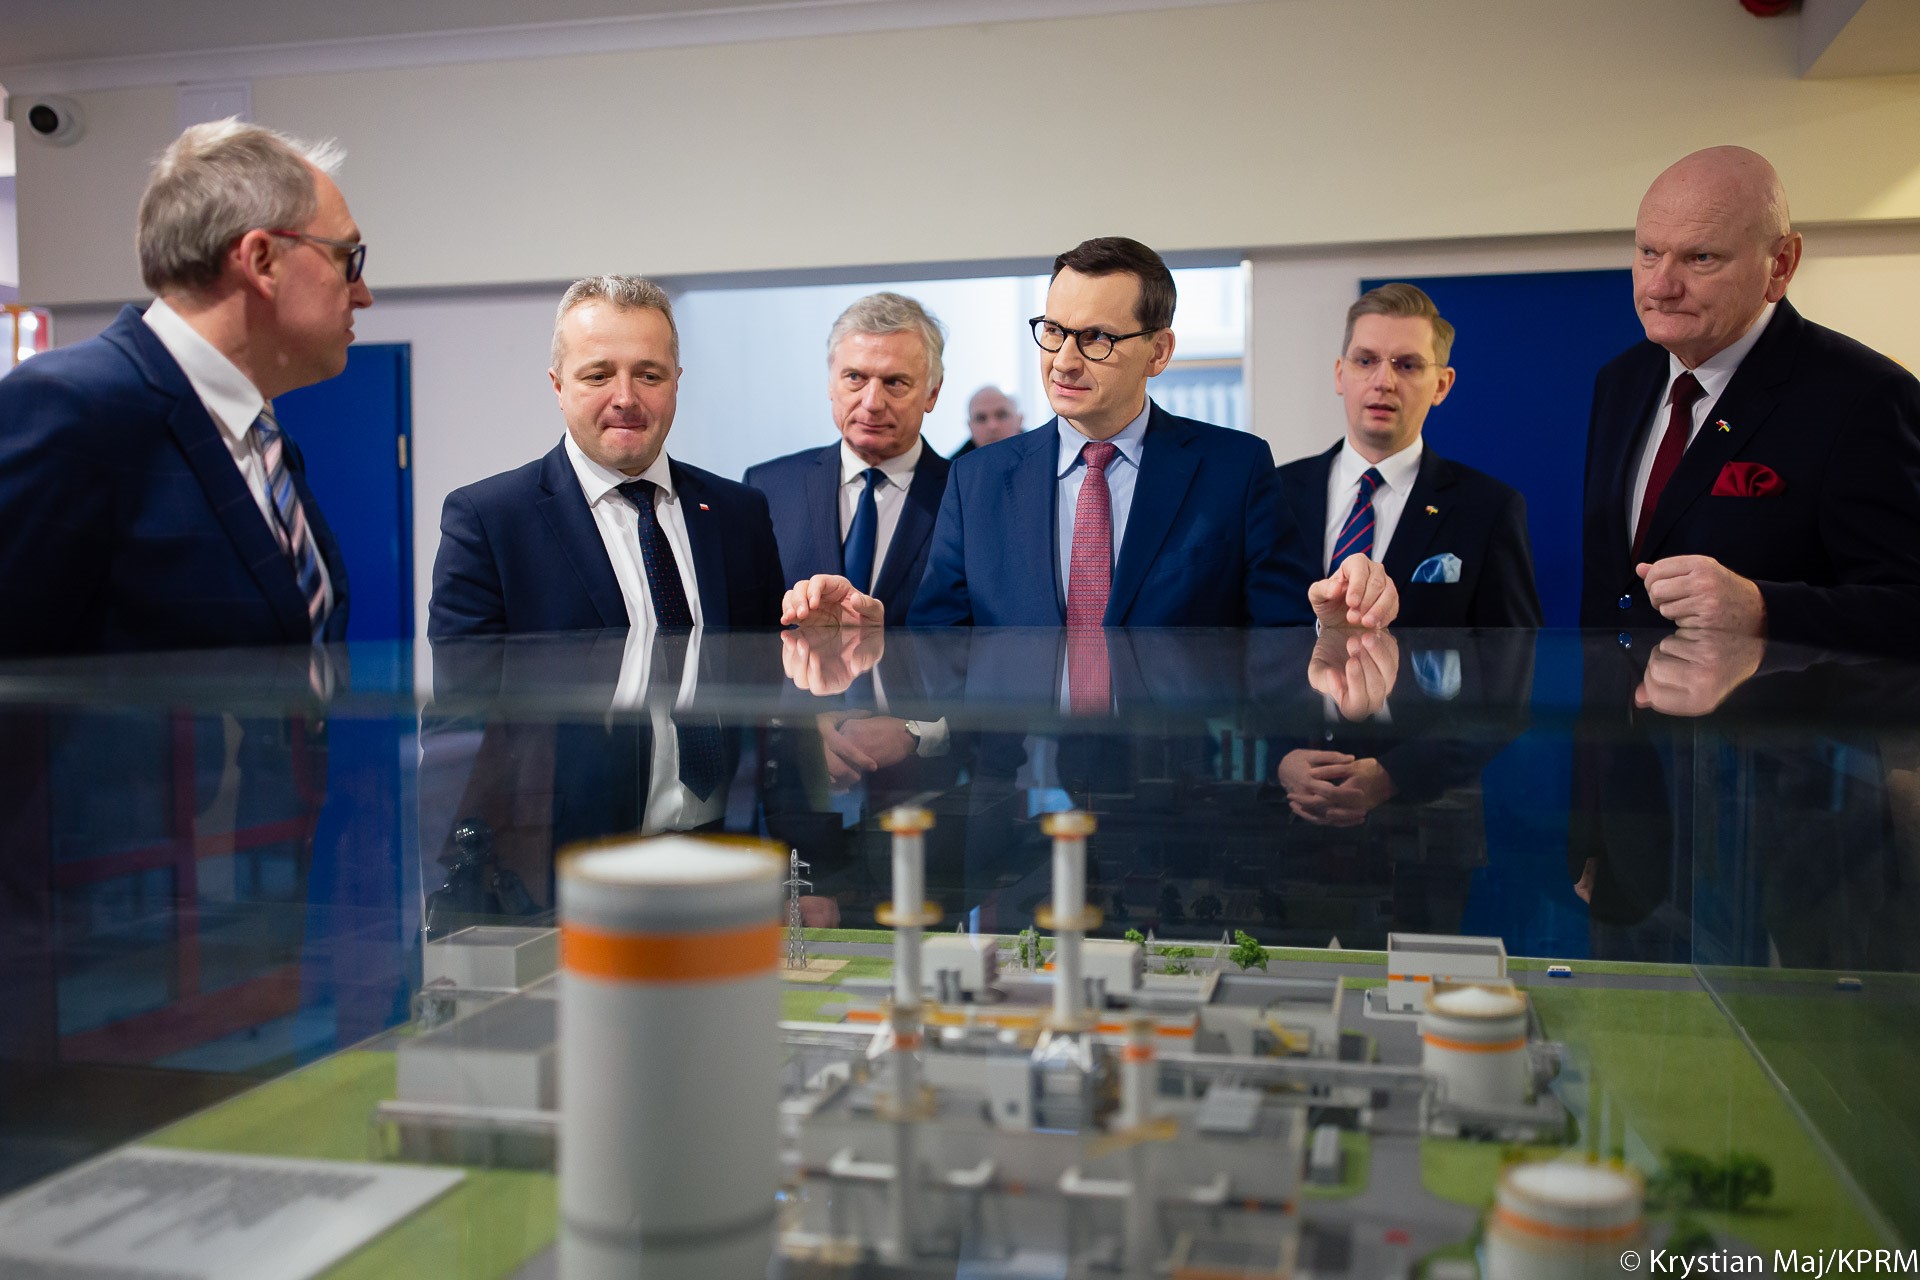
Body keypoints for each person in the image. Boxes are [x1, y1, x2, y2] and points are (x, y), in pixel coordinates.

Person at [787, 237, 1394, 630]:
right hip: (1016, 782)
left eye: (1096, 338)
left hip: (1178, 782)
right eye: (1053, 331)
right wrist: (875, 640)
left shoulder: (1233, 469)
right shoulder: (978, 479)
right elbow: (942, 647)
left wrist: (1334, 633)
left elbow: (1279, 637)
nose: (1064, 361)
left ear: (1159, 351)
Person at [0, 119, 371, 655]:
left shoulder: (266, 441)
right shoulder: (70, 411)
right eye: (345, 259)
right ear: (262, 260)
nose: (362, 294)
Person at [1581, 145, 1920, 649]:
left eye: (1701, 258)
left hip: (1775, 701)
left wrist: (1764, 610)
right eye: (1649, 252)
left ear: (1780, 264)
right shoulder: (1620, 381)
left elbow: (1909, 606)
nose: (1660, 286)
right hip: (1620, 699)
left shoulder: (1866, 397)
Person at [430, 275, 872, 637]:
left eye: (649, 375)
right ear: (558, 387)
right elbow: (463, 708)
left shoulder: (739, 512)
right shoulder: (489, 522)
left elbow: (763, 680)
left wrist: (818, 643)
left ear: (676, 382)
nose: (625, 398)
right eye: (598, 376)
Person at [1277, 283, 1541, 627]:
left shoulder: (1489, 510)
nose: (1383, 382)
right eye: (1366, 361)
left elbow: (1513, 653)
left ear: (1441, 385)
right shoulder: (1274, 494)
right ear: (1340, 374)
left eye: (1407, 365)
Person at [744, 293, 952, 621]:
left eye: (895, 382)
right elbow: (747, 623)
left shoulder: (965, 497)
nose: (871, 402)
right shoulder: (767, 488)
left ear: (932, 393)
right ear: (831, 383)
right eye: (855, 378)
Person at [953, 385, 1023, 458]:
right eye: (981, 418)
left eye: (1001, 415)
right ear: (970, 427)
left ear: (1019, 421)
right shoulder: (955, 464)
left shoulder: (1032, 454)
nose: (992, 426)